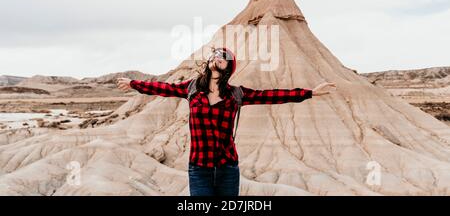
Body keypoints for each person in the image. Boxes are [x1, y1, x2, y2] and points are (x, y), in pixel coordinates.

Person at [116, 47, 336, 196]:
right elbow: (163, 88)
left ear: (229, 66)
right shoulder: (192, 89)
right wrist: (135, 83)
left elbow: (272, 95)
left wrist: (310, 93)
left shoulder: (236, 94)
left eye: (222, 56)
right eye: (213, 55)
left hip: (227, 168)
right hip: (199, 168)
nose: (216, 57)